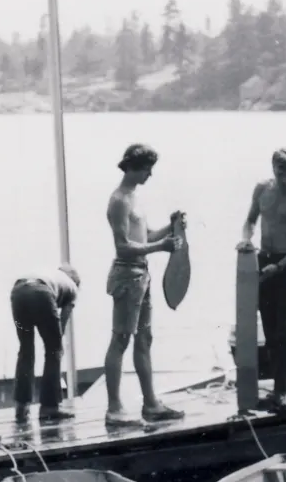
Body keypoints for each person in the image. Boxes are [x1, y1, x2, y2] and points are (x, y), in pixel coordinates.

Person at [103, 143, 185, 425]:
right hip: (127, 275)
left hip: (142, 274)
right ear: (134, 167)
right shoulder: (119, 200)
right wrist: (161, 246)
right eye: (148, 169)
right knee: (120, 339)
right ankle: (114, 409)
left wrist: (170, 228)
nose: (150, 174)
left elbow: (146, 236)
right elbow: (123, 246)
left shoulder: (134, 197)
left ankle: (151, 404)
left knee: (144, 338)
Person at [236, 148, 286, 414]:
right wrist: (247, 241)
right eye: (282, 172)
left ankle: (283, 392)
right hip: (263, 261)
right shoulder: (262, 189)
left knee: (285, 333)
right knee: (270, 332)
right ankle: (278, 388)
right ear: (273, 168)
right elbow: (250, 221)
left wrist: (280, 265)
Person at [10, 263, 82, 424]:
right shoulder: (73, 288)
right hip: (42, 293)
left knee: (26, 350)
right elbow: (62, 325)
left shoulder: (48, 273)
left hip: (18, 291)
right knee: (54, 350)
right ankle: (49, 407)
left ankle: (21, 407)